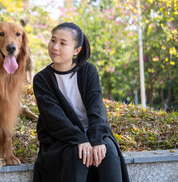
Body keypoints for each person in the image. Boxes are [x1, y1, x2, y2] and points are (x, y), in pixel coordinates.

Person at [32, 22, 129, 182]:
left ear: (77, 50)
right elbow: (54, 118)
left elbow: (96, 108)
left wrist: (96, 139)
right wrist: (80, 139)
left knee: (108, 153)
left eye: (63, 43)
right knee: (77, 154)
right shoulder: (42, 79)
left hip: (94, 131)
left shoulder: (88, 71)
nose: (55, 47)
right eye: (53, 40)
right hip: (61, 137)